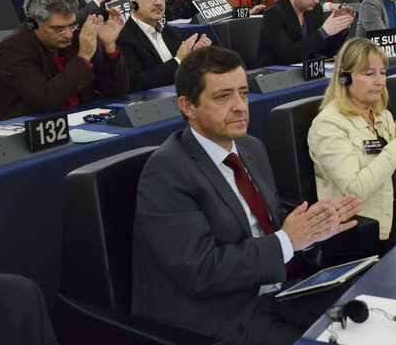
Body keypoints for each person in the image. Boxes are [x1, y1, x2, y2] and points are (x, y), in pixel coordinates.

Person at [131, 46, 361, 345]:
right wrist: (288, 240)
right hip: (224, 312)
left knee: (368, 301)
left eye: (243, 92)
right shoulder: (166, 172)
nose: (240, 106)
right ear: (188, 106)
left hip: (280, 290)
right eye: (223, 96)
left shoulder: (251, 148)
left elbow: (274, 222)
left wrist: (314, 229)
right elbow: (201, 271)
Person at [309, 39, 396, 254]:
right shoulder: (329, 125)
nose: (380, 82)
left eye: (382, 73)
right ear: (343, 77)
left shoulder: (382, 115)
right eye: (369, 73)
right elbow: (356, 189)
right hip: (376, 227)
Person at [0, 0, 128, 124]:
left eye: (72, 25)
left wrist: (109, 46)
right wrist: (83, 56)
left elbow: (116, 91)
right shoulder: (13, 48)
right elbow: (47, 100)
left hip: (79, 122)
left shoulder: (78, 38)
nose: (68, 35)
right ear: (32, 23)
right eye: (58, 29)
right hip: (24, 133)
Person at [117, 0, 211, 92]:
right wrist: (178, 60)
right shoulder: (122, 37)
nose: (158, 2)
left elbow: (182, 76)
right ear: (132, 4)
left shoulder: (172, 32)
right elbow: (134, 83)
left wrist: (191, 58)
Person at [257, 0, 354, 66]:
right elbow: (288, 54)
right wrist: (323, 32)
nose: (317, 1)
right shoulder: (274, 14)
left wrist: (339, 28)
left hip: (306, 74)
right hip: (275, 76)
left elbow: (324, 50)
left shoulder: (315, 10)